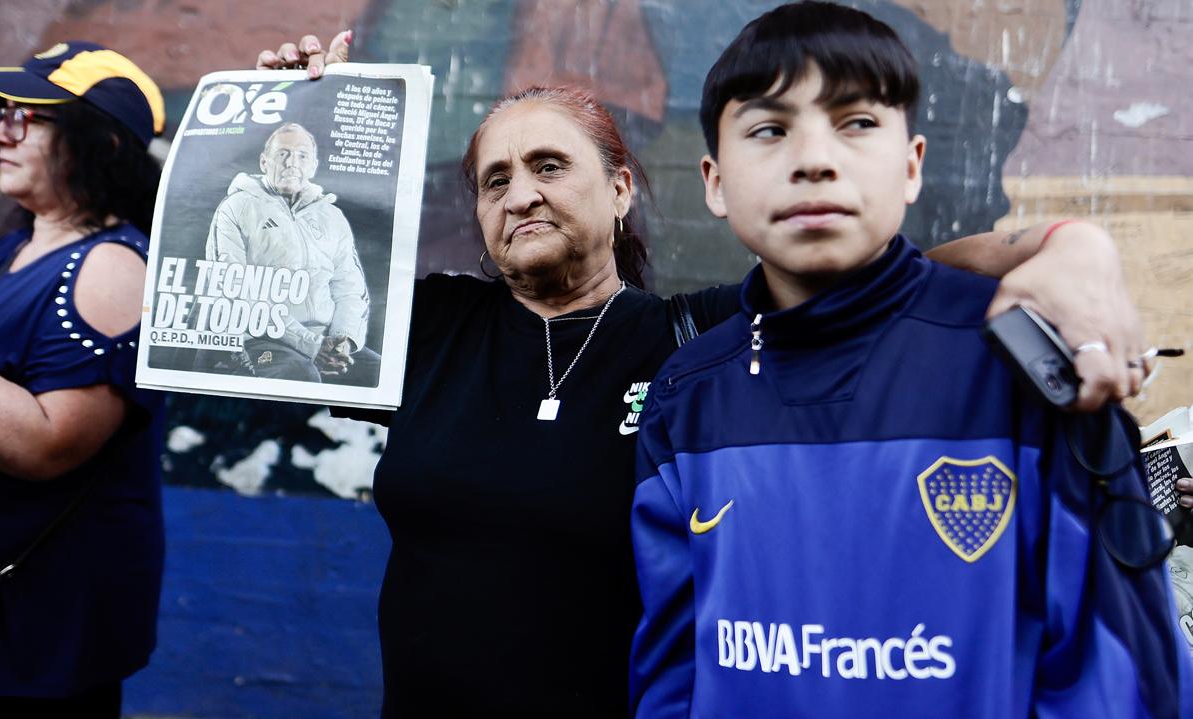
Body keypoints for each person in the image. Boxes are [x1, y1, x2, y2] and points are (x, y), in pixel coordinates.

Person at [263, 34, 1156, 717]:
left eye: (547, 166)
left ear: (620, 190)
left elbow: (909, 271)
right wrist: (288, 110)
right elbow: (273, 279)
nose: (519, 194)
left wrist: (1069, 249)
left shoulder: (703, 345)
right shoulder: (432, 329)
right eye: (494, 181)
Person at [628, 3, 1191, 717]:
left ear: (913, 165)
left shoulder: (1022, 359)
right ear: (713, 180)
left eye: (857, 122)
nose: (814, 159)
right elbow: (674, 673)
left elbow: (1119, 677)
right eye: (769, 129)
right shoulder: (688, 393)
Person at [0, 41, 166, 717]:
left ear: (104, 142)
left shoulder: (112, 266)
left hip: (47, 611)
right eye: (1, 111)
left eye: (26, 117)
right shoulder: (19, 243)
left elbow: (48, 442)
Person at [205, 121, 377, 384]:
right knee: (300, 375)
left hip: (326, 340)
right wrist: (310, 344)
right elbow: (233, 289)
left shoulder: (332, 216)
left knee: (381, 374)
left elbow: (350, 289)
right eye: (282, 154)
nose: (291, 162)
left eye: (302, 155)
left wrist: (343, 339)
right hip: (263, 340)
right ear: (264, 162)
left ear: (313, 166)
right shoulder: (236, 208)